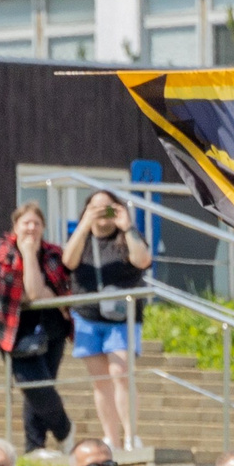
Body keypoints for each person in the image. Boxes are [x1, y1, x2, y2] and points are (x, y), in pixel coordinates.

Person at [0, 202, 74, 457]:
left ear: (44, 227)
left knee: (42, 387)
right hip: (14, 330)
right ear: (15, 226)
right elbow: (31, 292)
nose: (31, 227)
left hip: (52, 329)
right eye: (26, 223)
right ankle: (65, 432)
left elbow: (60, 290)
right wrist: (28, 255)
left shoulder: (53, 254)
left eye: (36, 223)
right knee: (35, 385)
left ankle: (34, 446)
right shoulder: (1, 252)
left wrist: (40, 293)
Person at [62, 189, 151, 451]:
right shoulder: (83, 238)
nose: (103, 214)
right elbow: (69, 261)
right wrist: (84, 225)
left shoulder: (127, 237)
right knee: (100, 381)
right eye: (96, 208)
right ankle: (110, 437)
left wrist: (128, 226)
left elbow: (143, 260)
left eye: (108, 208)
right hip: (88, 317)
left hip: (123, 318)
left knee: (120, 373)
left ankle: (130, 435)